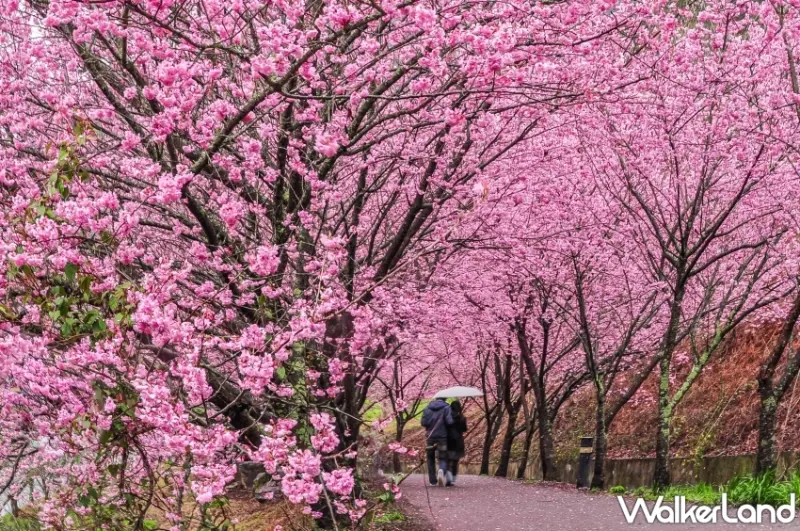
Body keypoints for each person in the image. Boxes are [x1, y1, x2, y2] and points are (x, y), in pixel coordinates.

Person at [421, 397, 453, 486]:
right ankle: (441, 470)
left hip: (430, 437)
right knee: (443, 456)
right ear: (445, 399)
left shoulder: (427, 408)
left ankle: (432, 481)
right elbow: (449, 422)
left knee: (430, 458)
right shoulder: (447, 408)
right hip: (443, 437)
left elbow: (423, 422)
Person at [446, 400, 467, 486]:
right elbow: (465, 429)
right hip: (458, 441)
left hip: (448, 440)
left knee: (448, 460)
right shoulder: (462, 418)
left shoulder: (448, 418)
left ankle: (449, 477)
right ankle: (453, 479)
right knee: (455, 461)